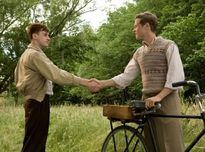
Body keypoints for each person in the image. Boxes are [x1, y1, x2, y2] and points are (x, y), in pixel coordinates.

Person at [92, 12, 185, 152]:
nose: (133, 29)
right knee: (152, 144)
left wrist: (158, 97)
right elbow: (126, 77)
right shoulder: (139, 53)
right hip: (147, 102)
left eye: (136, 26)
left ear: (146, 26)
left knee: (171, 143)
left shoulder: (168, 46)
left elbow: (176, 77)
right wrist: (101, 83)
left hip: (167, 100)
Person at [14, 23, 100, 152]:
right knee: (35, 145)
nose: (48, 38)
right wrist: (85, 82)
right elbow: (57, 74)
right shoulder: (34, 55)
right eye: (45, 34)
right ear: (35, 36)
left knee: (33, 142)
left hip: (34, 101)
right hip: (37, 101)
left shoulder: (28, 54)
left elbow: (17, 78)